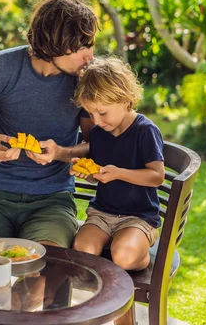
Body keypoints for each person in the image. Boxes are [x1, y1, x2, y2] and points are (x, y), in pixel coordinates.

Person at [0, 0, 98, 248]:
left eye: (90, 44)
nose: (90, 56)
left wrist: (60, 153)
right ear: (54, 44)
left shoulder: (85, 79)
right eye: (81, 47)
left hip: (52, 201)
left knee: (46, 267)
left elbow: (96, 144)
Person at [71, 57, 165, 271]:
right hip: (102, 214)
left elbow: (156, 176)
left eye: (102, 112)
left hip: (139, 217)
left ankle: (139, 256)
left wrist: (119, 173)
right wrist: (88, 172)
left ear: (125, 99)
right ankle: (114, 255)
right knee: (81, 250)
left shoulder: (145, 131)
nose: (96, 121)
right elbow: (102, 174)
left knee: (124, 256)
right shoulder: (98, 133)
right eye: (91, 114)